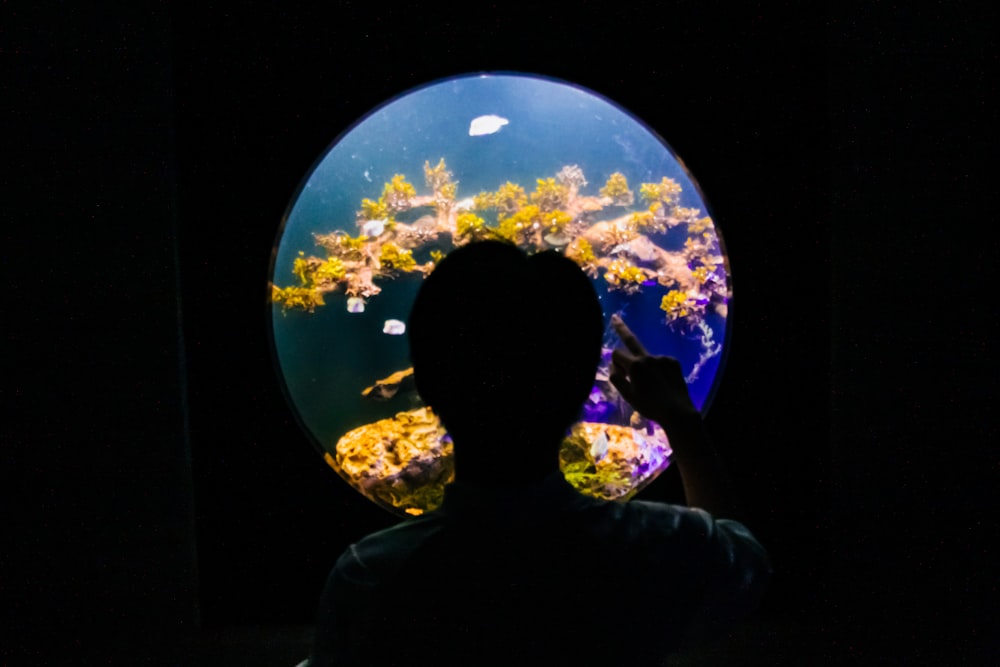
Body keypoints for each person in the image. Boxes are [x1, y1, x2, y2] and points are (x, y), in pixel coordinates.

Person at [310, 241, 769, 667]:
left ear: (423, 387)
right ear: (586, 384)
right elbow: (745, 561)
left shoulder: (371, 576)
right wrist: (682, 421)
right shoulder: (659, 548)